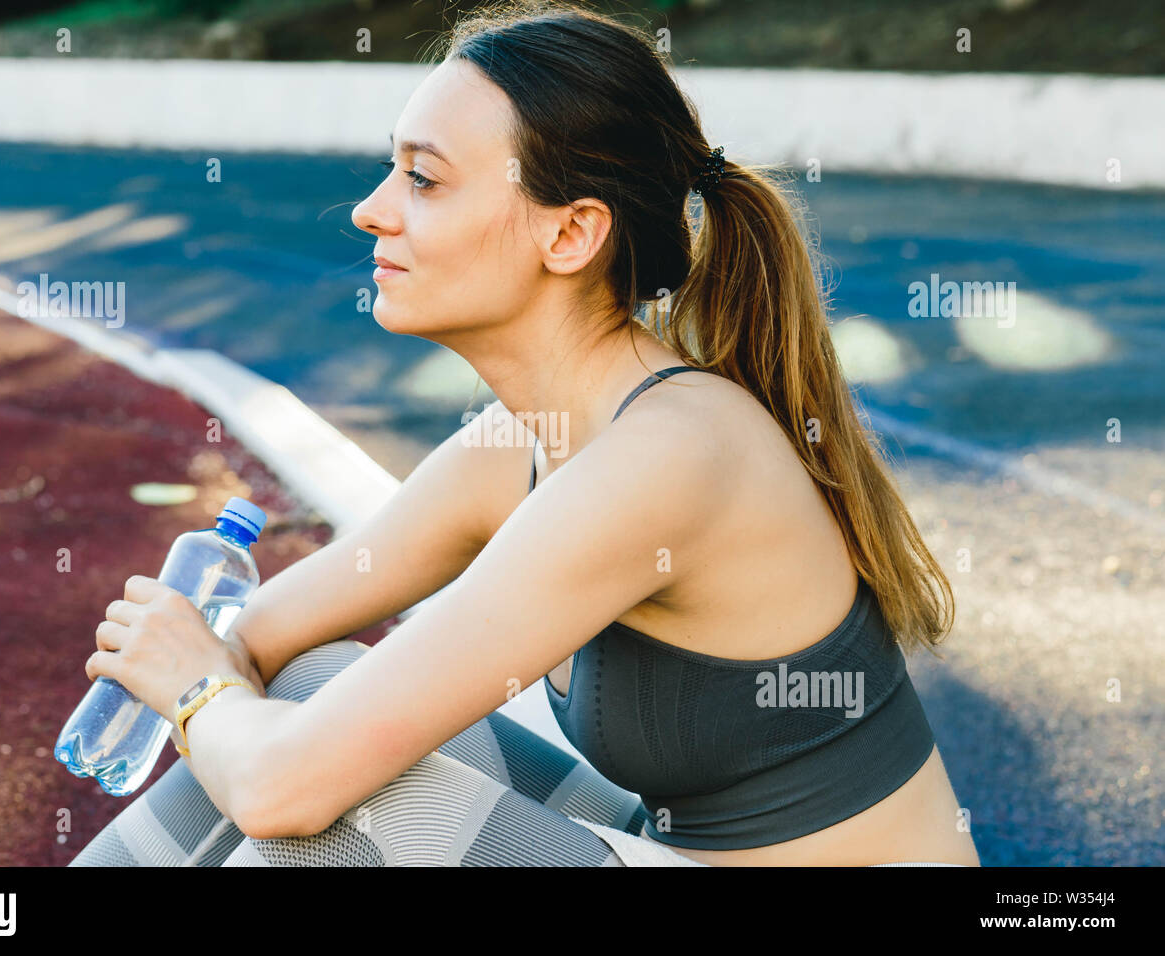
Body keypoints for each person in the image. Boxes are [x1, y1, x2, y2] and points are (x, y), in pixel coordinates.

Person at [71, 0, 979, 867]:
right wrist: (214, 672)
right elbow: (262, 642)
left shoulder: (668, 457)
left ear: (573, 233)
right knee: (314, 687)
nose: (371, 210)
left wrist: (196, 690)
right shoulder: (521, 444)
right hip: (670, 848)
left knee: (355, 802)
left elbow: (283, 789)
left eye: (423, 180)